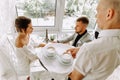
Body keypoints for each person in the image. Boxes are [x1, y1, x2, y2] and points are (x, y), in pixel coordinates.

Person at [67, 0, 120, 80]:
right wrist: (82, 50)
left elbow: (74, 78)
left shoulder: (89, 49)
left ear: (109, 14)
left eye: (97, 11)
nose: (96, 16)